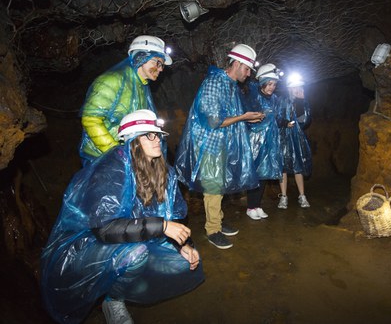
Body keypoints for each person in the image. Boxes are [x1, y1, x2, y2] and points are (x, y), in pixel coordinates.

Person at [41, 110, 204, 324]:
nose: (158, 139)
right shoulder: (110, 170)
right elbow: (104, 229)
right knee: (136, 255)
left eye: (158, 135)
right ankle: (113, 300)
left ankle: (127, 281)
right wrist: (162, 226)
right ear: (133, 140)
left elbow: (175, 215)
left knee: (181, 263)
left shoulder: (163, 171)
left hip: (135, 237)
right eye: (149, 135)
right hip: (86, 246)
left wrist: (184, 244)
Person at [175, 44, 264, 250]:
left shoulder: (230, 84)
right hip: (210, 144)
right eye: (247, 69)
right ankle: (212, 230)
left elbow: (228, 117)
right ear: (238, 63)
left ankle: (219, 220)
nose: (248, 74)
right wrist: (243, 117)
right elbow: (214, 121)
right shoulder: (215, 82)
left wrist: (246, 119)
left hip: (223, 144)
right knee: (213, 187)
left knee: (219, 184)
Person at [79, 35, 173, 165]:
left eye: (162, 65)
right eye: (157, 62)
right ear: (141, 57)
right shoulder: (112, 81)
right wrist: (116, 152)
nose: (161, 68)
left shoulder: (141, 87)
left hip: (129, 157)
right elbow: (91, 119)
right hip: (101, 158)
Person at [242, 63, 283, 220]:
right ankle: (250, 207)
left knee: (264, 174)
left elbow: (275, 118)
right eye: (269, 83)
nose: (272, 87)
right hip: (254, 141)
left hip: (268, 141)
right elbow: (245, 117)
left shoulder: (274, 99)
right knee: (255, 174)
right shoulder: (252, 95)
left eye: (274, 84)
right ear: (262, 81)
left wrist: (284, 122)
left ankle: (257, 205)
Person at [277, 73, 312, 209]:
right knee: (283, 167)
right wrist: (284, 123)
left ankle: (302, 196)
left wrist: (301, 101)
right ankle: (283, 197)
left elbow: (306, 121)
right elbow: (276, 116)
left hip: (297, 138)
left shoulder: (303, 101)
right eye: (294, 87)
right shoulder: (281, 100)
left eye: (299, 86)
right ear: (289, 88)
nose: (297, 88)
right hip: (283, 137)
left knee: (298, 166)